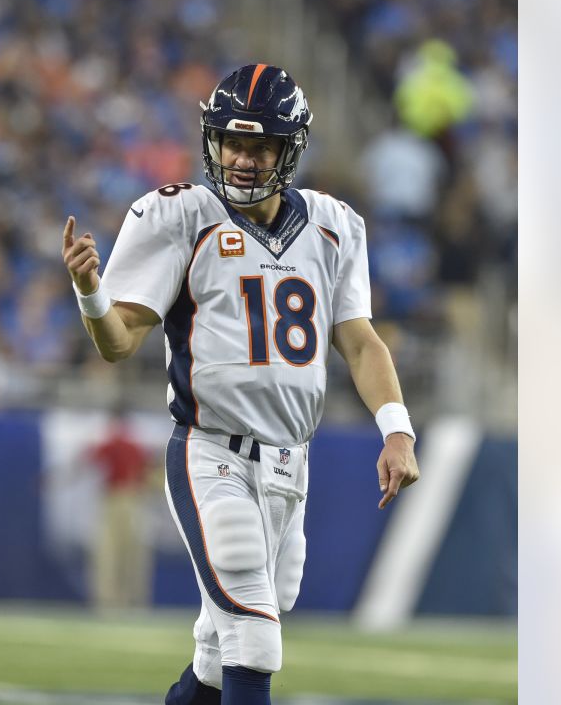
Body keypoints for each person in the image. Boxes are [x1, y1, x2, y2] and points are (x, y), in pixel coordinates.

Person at [60, 63, 420, 705]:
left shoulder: (335, 227)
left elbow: (360, 342)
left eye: (260, 146)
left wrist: (397, 430)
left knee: (214, 655)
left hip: (290, 465)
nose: (244, 159)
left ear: (291, 150)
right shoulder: (180, 215)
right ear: (212, 142)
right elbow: (119, 343)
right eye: (232, 142)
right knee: (254, 639)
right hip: (211, 452)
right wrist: (91, 293)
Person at [84, 410, 155, 611]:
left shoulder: (111, 443)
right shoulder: (135, 445)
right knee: (131, 553)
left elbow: (87, 462)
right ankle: (133, 600)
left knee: (109, 552)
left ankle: (108, 601)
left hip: (115, 498)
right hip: (132, 498)